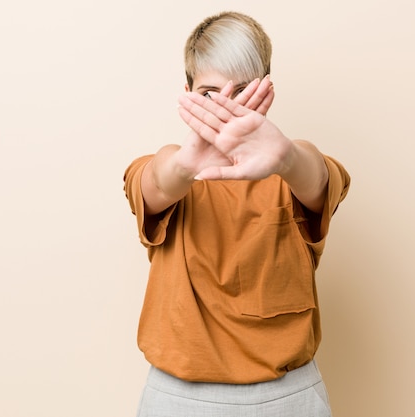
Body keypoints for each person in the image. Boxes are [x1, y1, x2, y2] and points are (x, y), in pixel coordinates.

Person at [123, 11, 350, 417]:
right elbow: (153, 185)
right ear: (188, 91)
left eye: (243, 90)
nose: (226, 107)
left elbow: (320, 180)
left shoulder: (292, 167)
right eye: (210, 93)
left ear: (267, 89)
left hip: (287, 397)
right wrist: (188, 163)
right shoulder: (169, 165)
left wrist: (287, 157)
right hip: (178, 399)